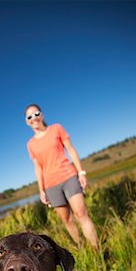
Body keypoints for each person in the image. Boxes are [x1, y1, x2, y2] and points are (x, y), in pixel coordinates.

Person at [25, 104, 99, 250]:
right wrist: (41, 190)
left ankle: (97, 251)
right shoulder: (31, 144)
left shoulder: (56, 129)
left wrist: (81, 172)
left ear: (42, 115)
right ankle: (82, 249)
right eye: (29, 116)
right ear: (27, 122)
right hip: (51, 185)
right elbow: (38, 168)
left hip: (68, 176)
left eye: (36, 113)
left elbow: (71, 150)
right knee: (67, 220)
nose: (34, 118)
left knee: (81, 214)